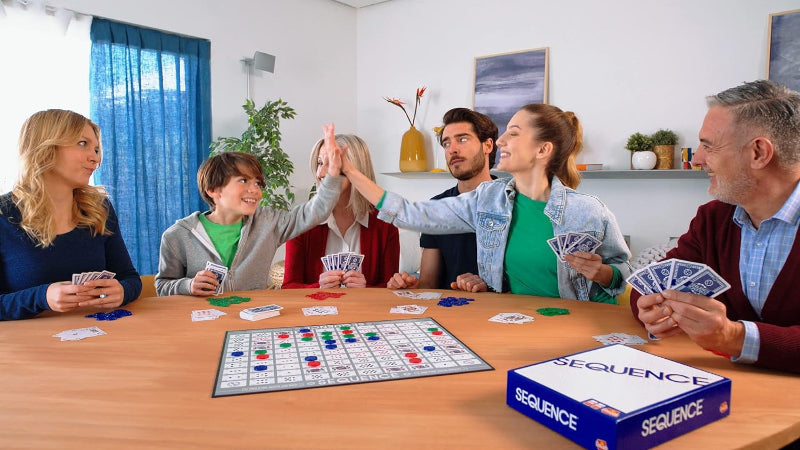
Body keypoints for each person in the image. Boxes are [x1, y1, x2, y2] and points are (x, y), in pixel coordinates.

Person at [329, 103, 632, 301]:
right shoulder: (489, 201)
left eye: (513, 134)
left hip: (575, 325)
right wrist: (351, 170)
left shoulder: (589, 210)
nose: (500, 141)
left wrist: (603, 273)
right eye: (447, 142)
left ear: (542, 151)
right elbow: (411, 213)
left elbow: (624, 271)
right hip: (510, 323)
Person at [631, 80, 800, 374]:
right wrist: (653, 311)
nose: (696, 159)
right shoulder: (713, 219)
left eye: (708, 146)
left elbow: (729, 336)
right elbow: (649, 288)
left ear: (758, 152)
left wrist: (734, 337)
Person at [0, 109, 142, 320]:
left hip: (99, 337)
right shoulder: (4, 214)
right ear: (46, 147)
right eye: (83, 143)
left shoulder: (99, 209)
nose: (95, 158)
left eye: (96, 149)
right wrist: (42, 297)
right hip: (27, 347)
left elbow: (129, 278)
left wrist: (122, 291)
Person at [155, 150, 343, 296]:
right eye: (244, 181)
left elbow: (316, 211)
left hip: (253, 322)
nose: (255, 190)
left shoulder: (269, 223)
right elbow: (162, 286)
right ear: (213, 189)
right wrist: (188, 285)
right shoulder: (177, 236)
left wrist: (333, 173)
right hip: (203, 325)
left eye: (257, 183)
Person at [387, 108, 496, 290]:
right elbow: (429, 283)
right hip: (449, 311)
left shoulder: (513, 202)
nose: (452, 149)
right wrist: (410, 287)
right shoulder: (436, 207)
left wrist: (490, 286)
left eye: (462, 139)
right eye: (446, 143)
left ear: (488, 145)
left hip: (505, 312)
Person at [282, 134, 399, 289]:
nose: (320, 174)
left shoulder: (386, 223)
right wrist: (318, 287)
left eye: (331, 165)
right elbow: (288, 288)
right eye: (319, 163)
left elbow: (390, 290)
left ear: (355, 170)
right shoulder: (301, 221)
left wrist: (367, 290)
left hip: (365, 312)